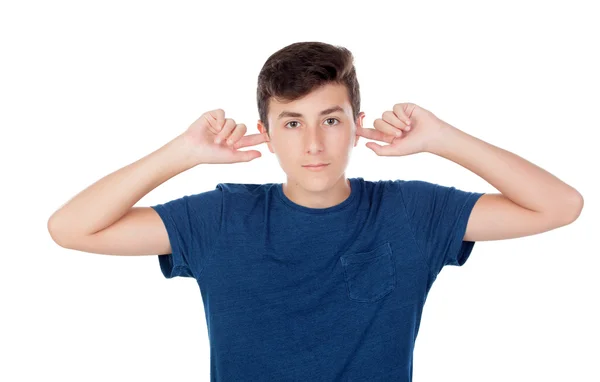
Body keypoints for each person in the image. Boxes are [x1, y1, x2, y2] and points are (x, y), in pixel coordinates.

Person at [47, 41, 584, 381]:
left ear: (356, 124)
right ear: (266, 134)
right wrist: (181, 153)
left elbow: (560, 206)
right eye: (292, 122)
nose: (313, 144)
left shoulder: (410, 211)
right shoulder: (221, 220)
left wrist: (443, 138)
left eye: (330, 120)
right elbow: (70, 228)